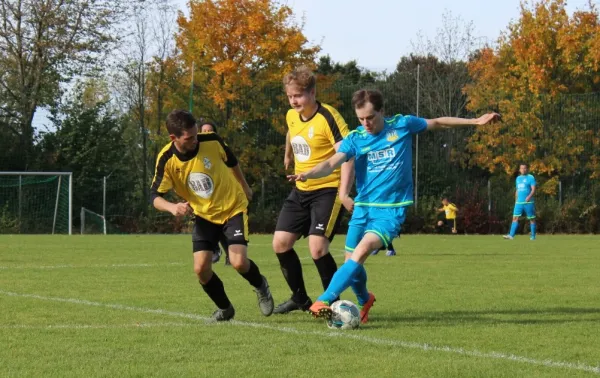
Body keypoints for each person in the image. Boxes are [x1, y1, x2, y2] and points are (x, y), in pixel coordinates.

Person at [287, 89, 500, 323]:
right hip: (363, 208)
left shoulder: (402, 125)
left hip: (390, 210)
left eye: (370, 117)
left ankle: (325, 299)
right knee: (352, 262)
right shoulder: (356, 138)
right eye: (361, 119)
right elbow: (331, 162)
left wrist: (475, 121)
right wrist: (309, 174)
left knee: (362, 250)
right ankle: (364, 299)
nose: (366, 123)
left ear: (382, 111)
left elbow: (438, 122)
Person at [151, 110, 274, 321]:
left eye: (196, 134)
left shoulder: (212, 140)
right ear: (174, 138)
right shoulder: (167, 159)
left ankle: (261, 285)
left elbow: (232, 161)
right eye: (189, 138)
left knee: (238, 262)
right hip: (203, 215)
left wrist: (244, 187)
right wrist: (172, 207)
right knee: (201, 269)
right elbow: (154, 196)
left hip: (232, 207)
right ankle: (225, 308)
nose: (195, 140)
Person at [272, 66, 354, 314]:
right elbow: (291, 131)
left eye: (298, 95)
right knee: (280, 244)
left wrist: (343, 193)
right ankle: (299, 298)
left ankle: (333, 303)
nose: (293, 101)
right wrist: (288, 154)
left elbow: (349, 155)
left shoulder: (328, 117)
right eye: (290, 96)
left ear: (312, 92)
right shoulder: (291, 115)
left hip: (327, 189)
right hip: (301, 190)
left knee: (318, 248)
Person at [199, 120, 231, 265]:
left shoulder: (221, 148)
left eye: (209, 131)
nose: (206, 134)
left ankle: (226, 252)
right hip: (203, 193)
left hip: (221, 192)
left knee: (220, 224)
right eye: (203, 131)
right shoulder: (195, 149)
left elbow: (231, 167)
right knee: (205, 222)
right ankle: (215, 249)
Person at [503, 164, 536, 240]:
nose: (523, 169)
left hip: (528, 202)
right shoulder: (518, 178)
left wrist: (529, 197)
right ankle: (511, 235)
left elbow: (533, 190)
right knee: (515, 218)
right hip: (519, 202)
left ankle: (533, 236)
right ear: (519, 170)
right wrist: (515, 201)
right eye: (521, 168)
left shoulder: (531, 177)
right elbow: (517, 190)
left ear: (527, 169)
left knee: (531, 219)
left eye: (524, 168)